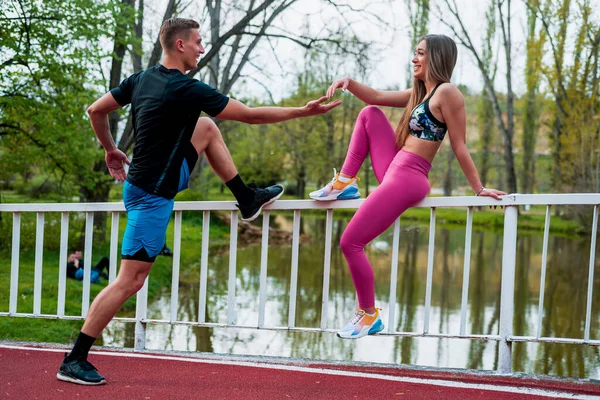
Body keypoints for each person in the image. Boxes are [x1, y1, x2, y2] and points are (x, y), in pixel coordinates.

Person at [57, 17, 341, 386]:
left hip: (141, 186)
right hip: (151, 197)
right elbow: (251, 116)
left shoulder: (142, 79)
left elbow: (96, 110)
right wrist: (303, 111)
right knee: (130, 281)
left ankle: (246, 197)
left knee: (206, 127)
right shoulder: (185, 88)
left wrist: (112, 150)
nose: (202, 48)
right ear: (180, 45)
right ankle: (75, 359)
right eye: (198, 42)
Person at [309, 34, 506, 339]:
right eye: (415, 53)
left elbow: (459, 144)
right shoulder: (420, 94)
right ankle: (345, 182)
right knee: (369, 113)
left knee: (350, 242)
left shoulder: (447, 93)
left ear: (436, 58)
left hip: (409, 177)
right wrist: (348, 81)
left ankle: (369, 314)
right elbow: (373, 96)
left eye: (420, 54)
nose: (414, 59)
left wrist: (478, 188)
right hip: (393, 168)